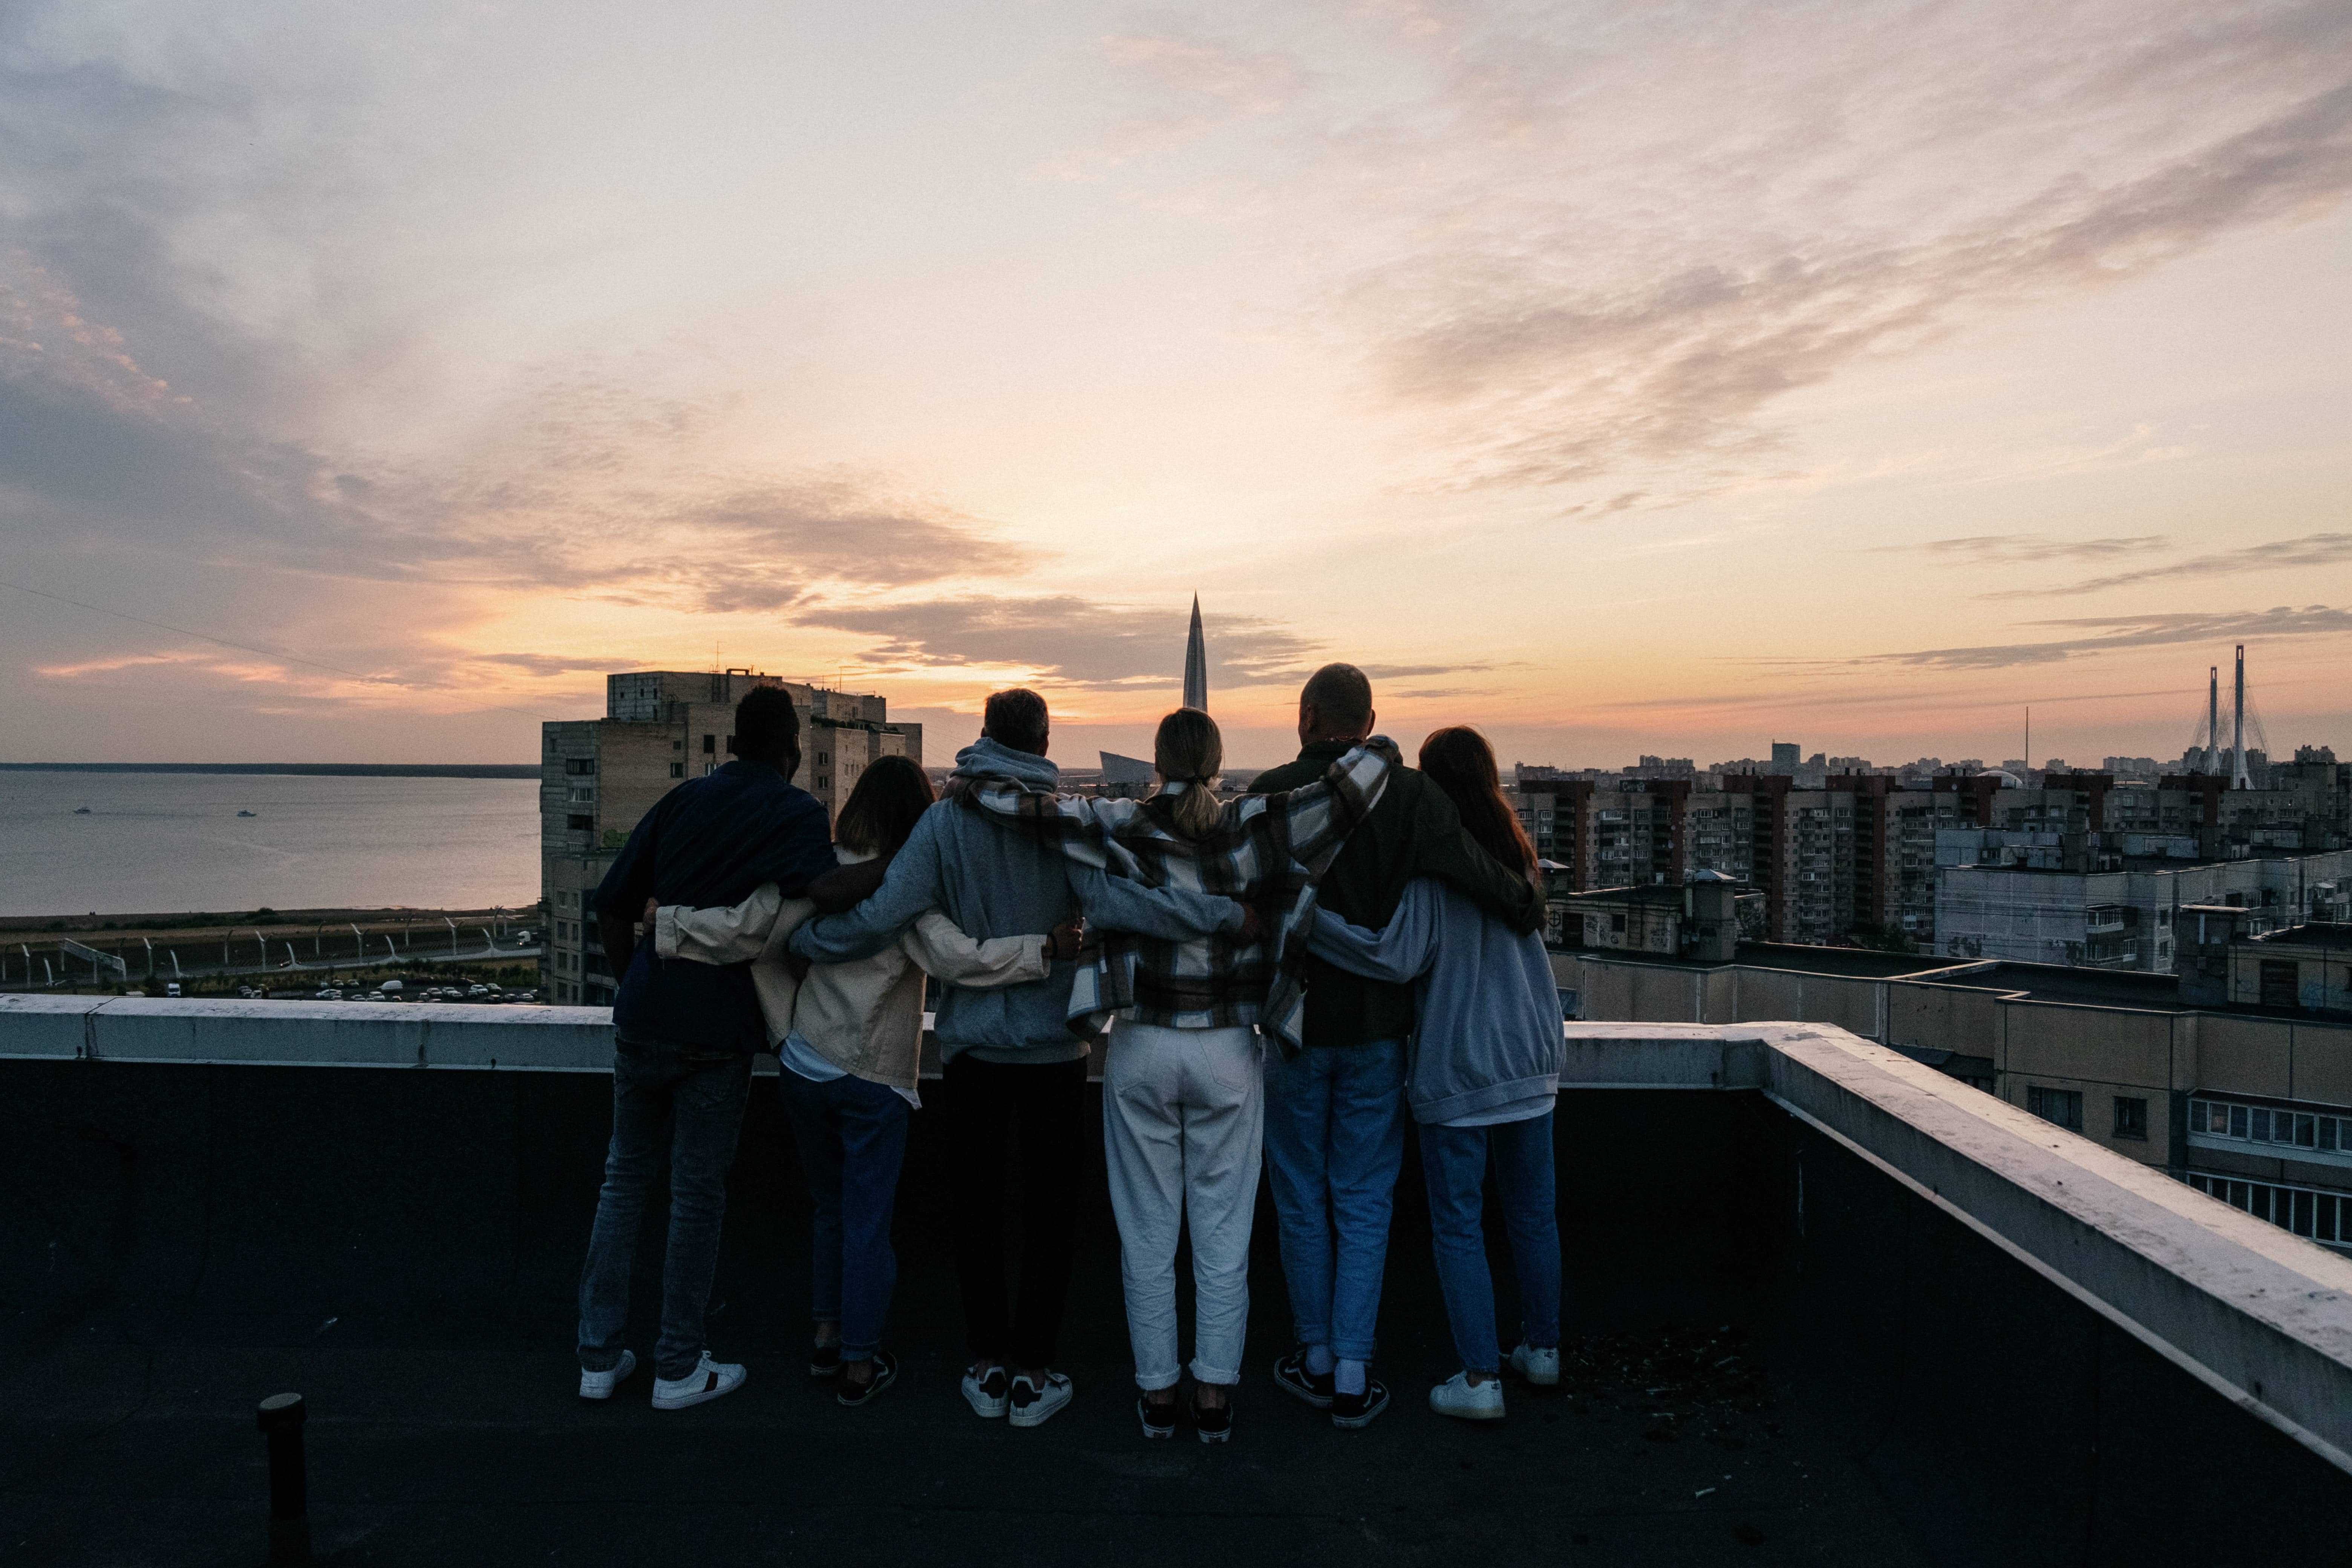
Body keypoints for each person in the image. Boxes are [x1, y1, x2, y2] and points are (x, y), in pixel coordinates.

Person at [786, 689, 1253, 1429]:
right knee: (1048, 1214)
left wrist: (805, 944)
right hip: (1051, 1052)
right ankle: (1035, 1371)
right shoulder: (1060, 824)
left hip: (969, 1049)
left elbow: (882, 915)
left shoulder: (943, 820)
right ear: (1042, 743)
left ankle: (986, 1365)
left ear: (981, 736)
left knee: (976, 1212)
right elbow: (1121, 906)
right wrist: (1223, 915)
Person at [648, 754, 1083, 1408]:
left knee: (829, 1210)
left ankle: (827, 1334)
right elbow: (957, 959)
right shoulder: (907, 890)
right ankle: (859, 1363)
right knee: (867, 1224)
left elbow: (748, 928)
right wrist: (1043, 950)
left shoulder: (820, 869)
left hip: (803, 1063)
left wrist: (666, 925)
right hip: (873, 1075)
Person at [1246, 665, 1545, 1429]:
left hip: (1293, 1028)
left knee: (1299, 1194)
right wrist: (1523, 897)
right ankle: (1353, 1368)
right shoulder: (1409, 793)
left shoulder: (1269, 792)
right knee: (1366, 1196)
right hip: (1380, 1036)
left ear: (1307, 717)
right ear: (1370, 717)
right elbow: (1476, 870)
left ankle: (1312, 1354)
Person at [574, 686, 839, 1411]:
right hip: (716, 1029)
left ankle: (597, 1359)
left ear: (733, 742)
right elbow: (820, 889)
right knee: (696, 1197)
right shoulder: (794, 811)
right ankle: (678, 1367)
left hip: (644, 1015)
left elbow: (613, 904)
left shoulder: (684, 800)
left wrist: (636, 979)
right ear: (790, 750)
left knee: (622, 1181)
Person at [1305, 725, 1563, 1420]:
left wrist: (1309, 921)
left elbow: (1394, 957)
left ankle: (1480, 1381)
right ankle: (1542, 1351)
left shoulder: (1435, 870)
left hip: (1460, 1069)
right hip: (1531, 1062)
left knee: (1459, 1226)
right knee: (1534, 1215)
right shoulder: (1521, 861)